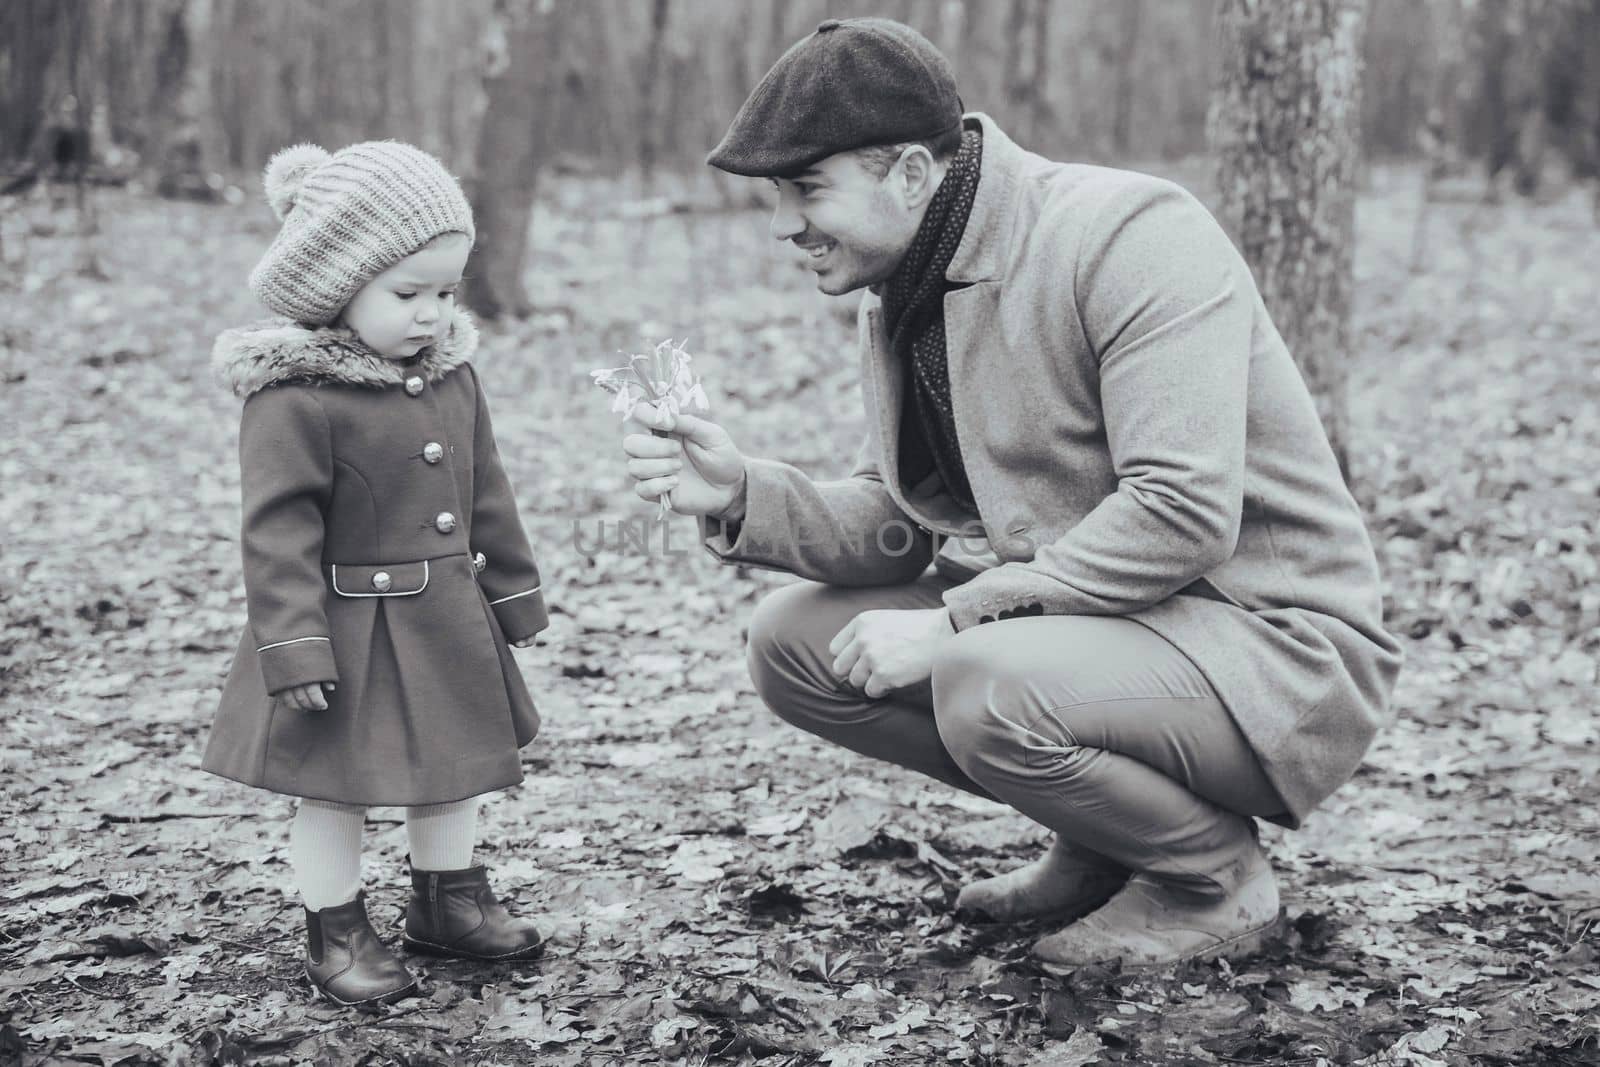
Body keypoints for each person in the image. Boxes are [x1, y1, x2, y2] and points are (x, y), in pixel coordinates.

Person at [621, 17, 1402, 971]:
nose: (784, 223)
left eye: (807, 189)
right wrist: (744, 492)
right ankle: (1112, 838)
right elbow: (901, 523)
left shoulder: (1129, 234)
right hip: (1106, 636)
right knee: (793, 643)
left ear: (911, 173)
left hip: (1267, 649)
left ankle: (1211, 880)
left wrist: (956, 624)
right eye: (778, 194)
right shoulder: (907, 283)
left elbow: (1183, 511)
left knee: (982, 681)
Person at [203, 141, 551, 1006]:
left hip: (446, 617)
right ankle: (337, 924)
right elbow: (275, 531)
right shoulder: (294, 398)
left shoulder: (452, 379)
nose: (431, 314)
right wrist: (294, 646)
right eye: (407, 294)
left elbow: (486, 492)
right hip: (346, 627)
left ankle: (450, 897)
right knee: (336, 785)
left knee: (460, 759)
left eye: (445, 292)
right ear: (335, 284)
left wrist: (513, 593)